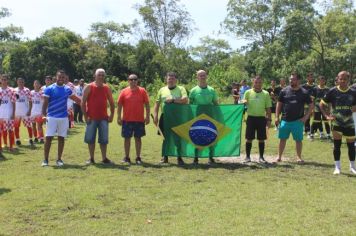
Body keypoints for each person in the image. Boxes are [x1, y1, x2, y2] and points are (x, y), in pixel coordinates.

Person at [320, 71, 356, 175]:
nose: (342, 81)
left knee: (351, 146)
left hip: (349, 123)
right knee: (337, 145)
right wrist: (327, 115)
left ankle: (352, 167)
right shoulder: (332, 91)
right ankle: (337, 167)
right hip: (337, 123)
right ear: (338, 79)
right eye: (341, 79)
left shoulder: (353, 92)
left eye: (345, 79)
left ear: (348, 80)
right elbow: (322, 104)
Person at [41, 70, 80, 167]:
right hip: (51, 117)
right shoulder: (49, 88)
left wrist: (86, 104)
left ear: (65, 78)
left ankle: (59, 159)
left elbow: (76, 99)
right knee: (49, 138)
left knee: (61, 138)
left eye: (63, 77)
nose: (61, 79)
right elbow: (45, 103)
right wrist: (43, 115)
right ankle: (45, 160)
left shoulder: (67, 89)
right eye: (60, 77)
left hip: (63, 118)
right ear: (56, 77)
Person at [275, 73, 314, 163]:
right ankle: (279, 156)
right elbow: (279, 104)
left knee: (298, 140)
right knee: (282, 139)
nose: (291, 81)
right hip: (284, 120)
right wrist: (277, 117)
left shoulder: (304, 92)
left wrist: (305, 117)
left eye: (293, 79)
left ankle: (299, 157)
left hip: (298, 121)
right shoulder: (284, 91)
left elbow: (311, 106)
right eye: (290, 79)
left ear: (298, 81)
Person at [153, 72, 188, 165]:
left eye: (173, 78)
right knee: (165, 138)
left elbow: (185, 100)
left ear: (176, 80)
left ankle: (179, 158)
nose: (171, 80)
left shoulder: (181, 89)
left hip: (177, 117)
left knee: (178, 138)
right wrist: (155, 116)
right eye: (169, 78)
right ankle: (165, 157)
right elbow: (157, 104)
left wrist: (173, 100)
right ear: (166, 79)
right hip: (165, 117)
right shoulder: (161, 90)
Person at [82, 69, 115, 164]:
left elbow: (112, 103)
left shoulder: (106, 88)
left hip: (103, 118)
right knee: (90, 139)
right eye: (99, 75)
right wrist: (85, 116)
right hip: (91, 118)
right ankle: (91, 158)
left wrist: (112, 115)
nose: (101, 77)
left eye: (102, 75)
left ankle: (104, 158)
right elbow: (83, 103)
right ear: (95, 76)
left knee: (104, 140)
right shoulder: (89, 87)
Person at [117, 74, 150, 165]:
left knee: (138, 139)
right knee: (127, 139)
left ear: (137, 81)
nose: (133, 81)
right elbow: (119, 105)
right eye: (131, 79)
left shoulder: (142, 91)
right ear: (128, 81)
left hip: (139, 120)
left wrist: (147, 116)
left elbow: (147, 104)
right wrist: (118, 117)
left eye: (135, 79)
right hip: (127, 120)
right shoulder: (124, 91)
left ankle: (138, 157)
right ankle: (127, 157)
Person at [189, 70, 219, 165]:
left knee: (211, 136)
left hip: (210, 117)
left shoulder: (212, 90)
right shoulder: (193, 91)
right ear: (197, 77)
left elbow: (216, 104)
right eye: (200, 75)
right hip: (197, 118)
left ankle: (211, 157)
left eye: (204, 75)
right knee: (196, 136)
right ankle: (196, 158)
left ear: (206, 76)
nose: (202, 77)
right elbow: (190, 105)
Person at [243, 76, 272, 163]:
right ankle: (247, 157)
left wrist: (269, 120)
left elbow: (268, 108)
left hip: (261, 119)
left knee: (261, 138)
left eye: (259, 82)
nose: (258, 84)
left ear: (262, 83)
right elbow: (242, 103)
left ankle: (261, 157)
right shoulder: (248, 92)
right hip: (251, 118)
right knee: (249, 138)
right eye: (256, 82)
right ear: (253, 83)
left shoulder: (266, 94)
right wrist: (243, 102)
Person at [14, 77, 33, 146]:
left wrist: (30, 110)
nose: (20, 83)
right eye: (19, 82)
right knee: (16, 127)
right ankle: (17, 140)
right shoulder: (14, 90)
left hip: (25, 112)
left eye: (22, 82)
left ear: (24, 82)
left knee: (28, 126)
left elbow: (30, 101)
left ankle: (31, 139)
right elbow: (13, 101)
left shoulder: (27, 90)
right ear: (17, 82)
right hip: (17, 112)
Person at [310, 76, 331, 140]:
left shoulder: (328, 89)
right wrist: (312, 108)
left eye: (323, 80)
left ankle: (328, 135)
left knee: (326, 121)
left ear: (325, 81)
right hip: (317, 107)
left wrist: (329, 109)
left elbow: (330, 100)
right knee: (316, 121)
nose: (322, 81)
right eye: (320, 80)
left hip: (325, 108)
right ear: (318, 81)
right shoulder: (315, 89)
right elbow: (312, 100)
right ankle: (311, 135)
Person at [0, 74, 16, 152]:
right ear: (0, 80)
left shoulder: (11, 90)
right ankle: (0, 147)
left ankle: (11, 146)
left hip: (9, 114)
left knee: (10, 130)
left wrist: (13, 113)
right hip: (1, 115)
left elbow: (13, 103)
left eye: (5, 79)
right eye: (2, 79)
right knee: (1, 131)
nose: (3, 81)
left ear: (7, 81)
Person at [302, 72, 316, 138]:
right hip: (305, 105)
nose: (311, 78)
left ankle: (314, 131)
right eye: (309, 77)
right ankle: (306, 130)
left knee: (314, 118)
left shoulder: (315, 86)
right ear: (307, 78)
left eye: (312, 76)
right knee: (306, 117)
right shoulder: (303, 86)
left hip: (314, 104)